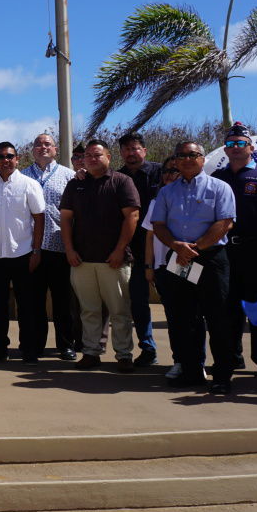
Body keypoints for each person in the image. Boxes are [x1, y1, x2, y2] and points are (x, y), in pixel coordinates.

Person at [150, 140, 237, 393]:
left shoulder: (220, 187)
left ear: (202, 159)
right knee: (182, 318)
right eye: (181, 156)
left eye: (193, 155)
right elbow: (159, 225)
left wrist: (195, 248)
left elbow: (225, 222)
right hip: (178, 258)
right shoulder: (166, 192)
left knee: (217, 317)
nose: (187, 159)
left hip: (210, 258)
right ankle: (191, 371)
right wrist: (178, 247)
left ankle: (222, 375)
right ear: (175, 161)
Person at [59, 140, 140, 371]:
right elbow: (65, 218)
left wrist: (118, 250)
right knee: (89, 310)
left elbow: (132, 217)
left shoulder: (122, 182)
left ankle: (124, 355)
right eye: (88, 156)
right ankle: (91, 353)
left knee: (120, 311)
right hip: (82, 260)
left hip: (114, 261)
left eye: (97, 155)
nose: (92, 159)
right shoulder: (76, 185)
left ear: (108, 157)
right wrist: (69, 249)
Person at [211, 123, 257, 377]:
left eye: (241, 143)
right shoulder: (217, 177)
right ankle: (232, 357)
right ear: (225, 150)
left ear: (251, 147)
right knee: (228, 307)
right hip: (225, 250)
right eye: (230, 144)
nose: (235, 148)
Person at [0, 142, 46, 364]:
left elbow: (39, 218)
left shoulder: (29, 185)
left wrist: (36, 250)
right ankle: (0, 347)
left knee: (26, 305)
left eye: (9, 156)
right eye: (0, 157)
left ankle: (28, 348)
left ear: (17, 159)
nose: (5, 160)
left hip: (23, 254)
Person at [23, 133, 79, 360]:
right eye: (38, 144)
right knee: (34, 301)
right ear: (32, 150)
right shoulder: (22, 177)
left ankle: (65, 345)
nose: (43, 147)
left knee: (63, 301)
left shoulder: (70, 176)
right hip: (31, 249)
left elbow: (77, 214)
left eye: (47, 144)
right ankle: (35, 345)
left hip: (60, 247)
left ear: (55, 149)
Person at [143, 157, 194, 382]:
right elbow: (149, 235)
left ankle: (195, 362)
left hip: (186, 262)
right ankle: (179, 361)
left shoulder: (192, 199)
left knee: (192, 315)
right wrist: (149, 265)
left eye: (174, 171)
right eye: (165, 171)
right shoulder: (156, 201)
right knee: (173, 316)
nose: (169, 175)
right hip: (163, 266)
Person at [117, 132, 162, 366]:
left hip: (164, 247)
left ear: (144, 150)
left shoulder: (161, 172)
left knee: (177, 303)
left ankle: (183, 356)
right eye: (126, 149)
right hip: (133, 251)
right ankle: (148, 348)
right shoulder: (117, 177)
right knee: (138, 302)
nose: (130, 153)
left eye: (135, 149)